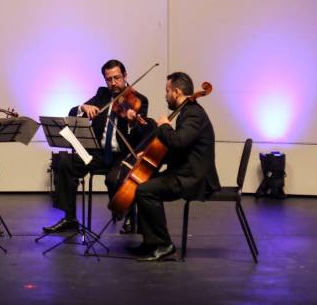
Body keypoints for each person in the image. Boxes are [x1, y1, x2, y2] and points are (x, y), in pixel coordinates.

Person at [42, 59, 150, 234]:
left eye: (117, 78)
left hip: (122, 155)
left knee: (113, 179)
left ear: (125, 76)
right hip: (98, 153)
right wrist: (83, 107)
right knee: (63, 160)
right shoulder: (102, 95)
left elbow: (142, 134)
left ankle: (129, 215)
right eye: (109, 79)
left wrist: (132, 123)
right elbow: (72, 113)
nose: (113, 83)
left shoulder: (139, 100)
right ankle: (69, 218)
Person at [130, 71, 221, 262]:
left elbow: (179, 142)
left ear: (177, 92)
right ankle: (151, 242)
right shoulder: (187, 112)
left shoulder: (193, 113)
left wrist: (164, 126)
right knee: (142, 184)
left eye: (167, 91)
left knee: (145, 191)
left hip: (192, 177)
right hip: (183, 172)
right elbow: (180, 149)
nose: (166, 96)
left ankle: (164, 245)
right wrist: (148, 155)